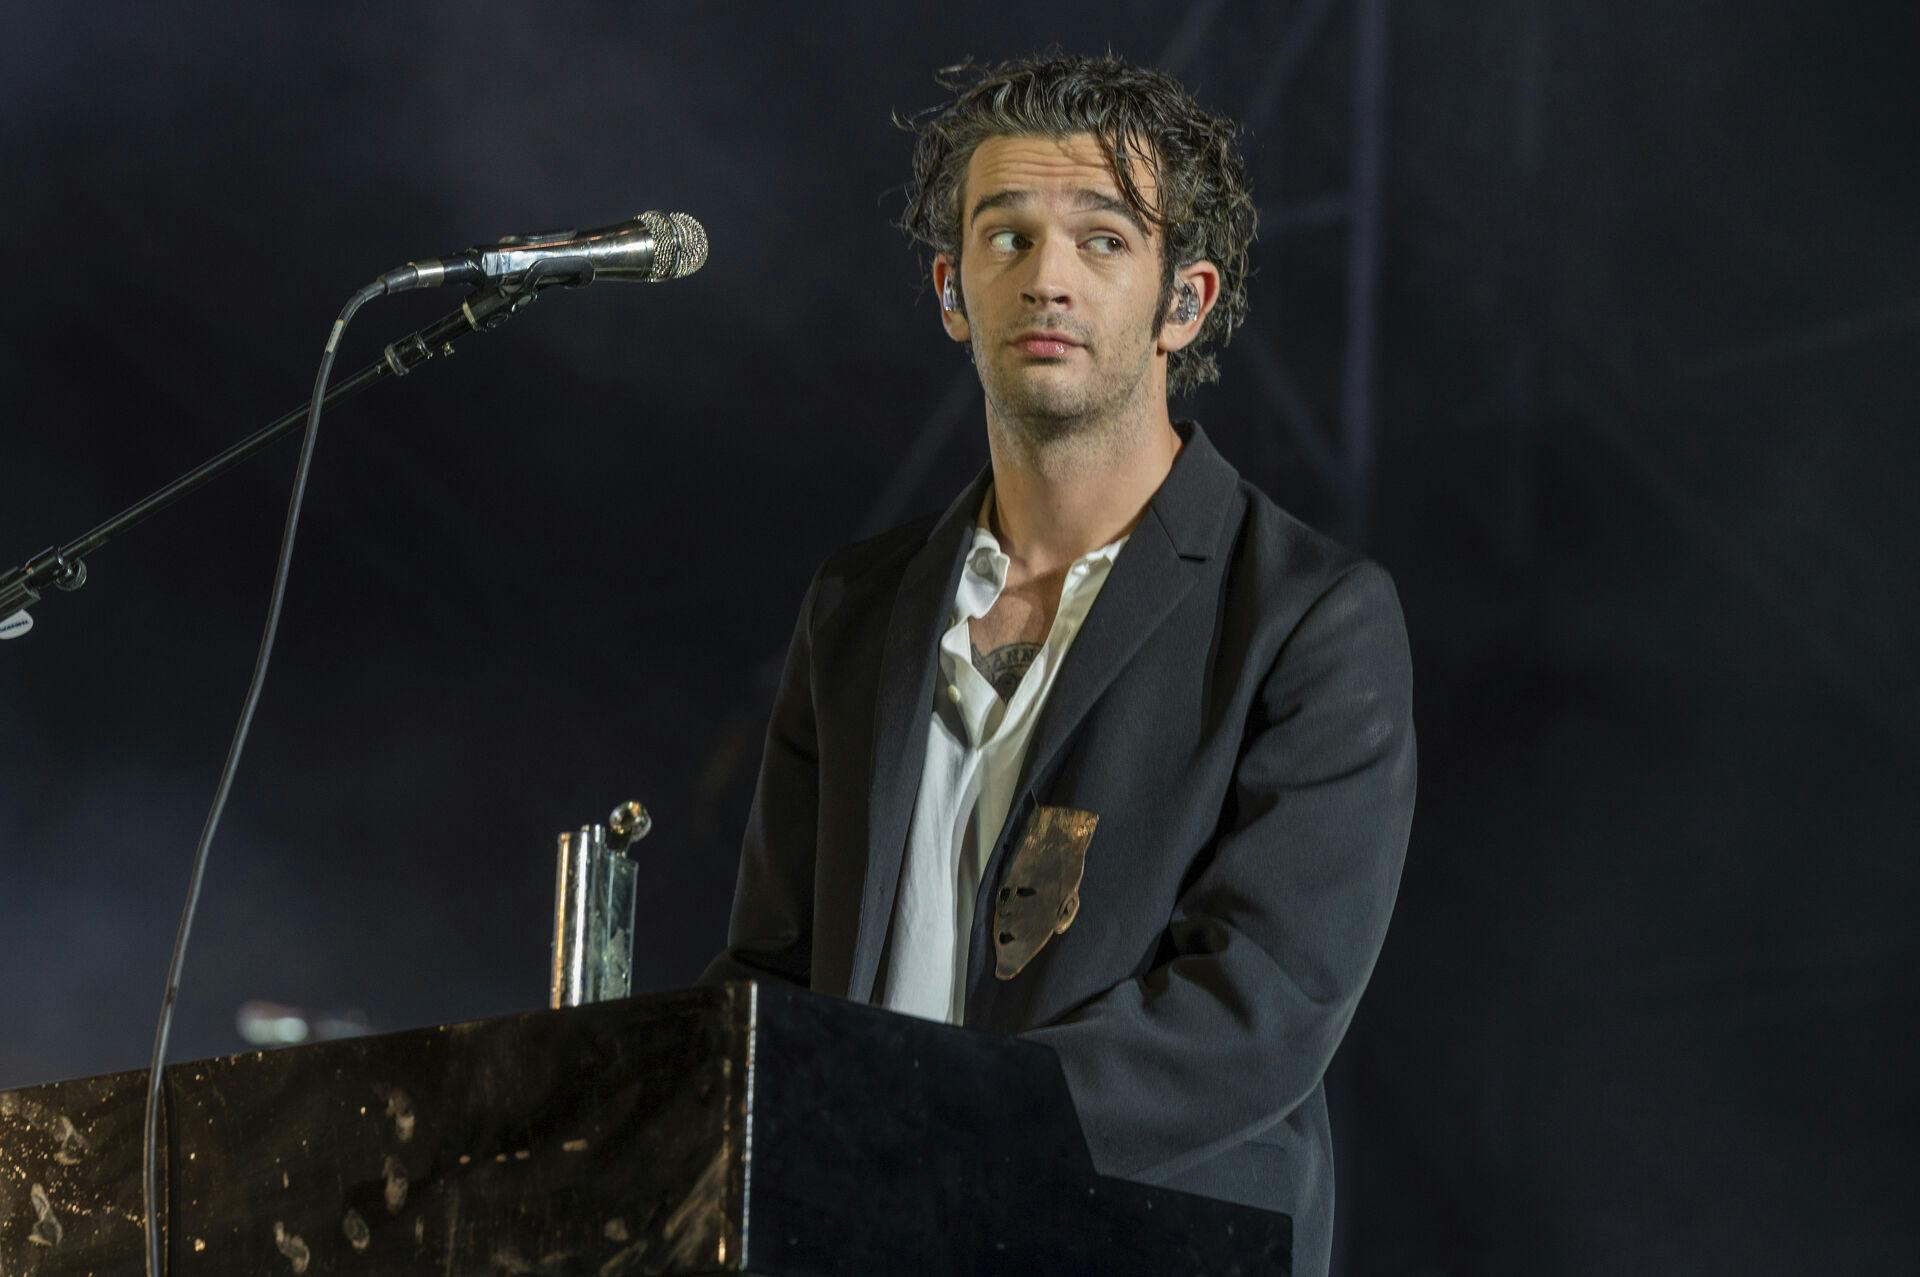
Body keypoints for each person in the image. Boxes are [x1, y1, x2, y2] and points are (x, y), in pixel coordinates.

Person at [702, 52, 1415, 1276]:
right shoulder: (860, 606)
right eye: (1007, 236)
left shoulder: (1312, 615)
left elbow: (1254, 1012)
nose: (1047, 275)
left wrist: (917, 1124)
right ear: (951, 288)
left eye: (1103, 240)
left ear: (1184, 301)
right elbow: (770, 974)